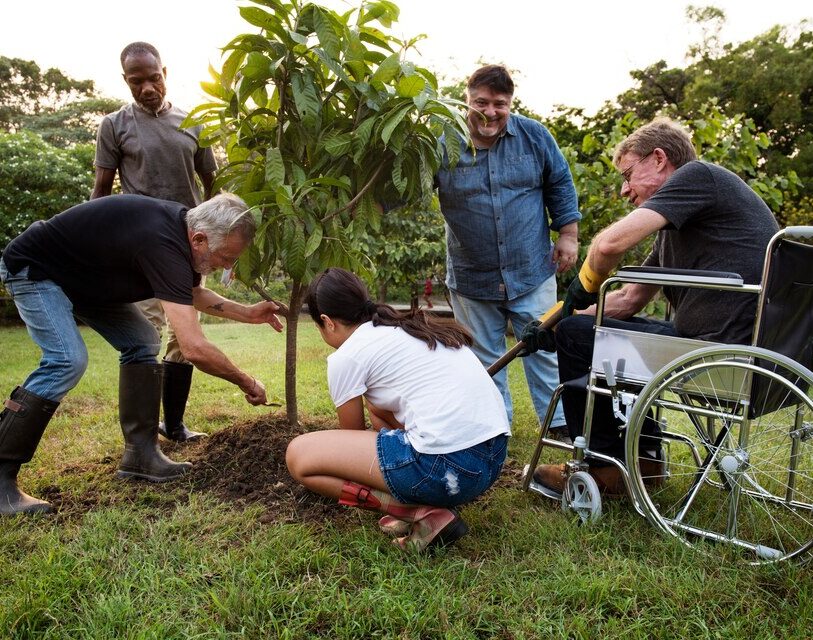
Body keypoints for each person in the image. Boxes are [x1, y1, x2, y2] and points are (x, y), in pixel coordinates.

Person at [526, 117, 780, 495]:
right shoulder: (679, 225)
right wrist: (559, 320)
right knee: (580, 330)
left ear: (659, 159)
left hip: (721, 354)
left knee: (582, 337)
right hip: (736, 353)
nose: (625, 191)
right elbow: (628, 299)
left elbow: (607, 246)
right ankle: (642, 462)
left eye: (628, 175)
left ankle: (605, 468)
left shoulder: (698, 176)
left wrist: (583, 286)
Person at [0, 193, 285, 515]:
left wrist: (247, 313)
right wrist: (246, 381)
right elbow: (194, 348)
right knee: (66, 360)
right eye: (226, 256)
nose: (228, 266)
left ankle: (141, 456)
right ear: (200, 238)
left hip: (87, 283)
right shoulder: (162, 242)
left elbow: (192, 293)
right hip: (37, 270)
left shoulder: (183, 238)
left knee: (142, 341)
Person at [285, 268, 510, 553]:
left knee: (298, 455)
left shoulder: (347, 356)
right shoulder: (405, 327)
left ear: (327, 322)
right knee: (377, 407)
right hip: (490, 461)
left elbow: (351, 437)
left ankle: (419, 513)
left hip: (445, 468)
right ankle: (424, 500)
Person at [435, 64, 581, 439]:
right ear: (467, 99)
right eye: (481, 102)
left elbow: (560, 181)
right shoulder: (442, 141)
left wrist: (568, 234)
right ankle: (497, 429)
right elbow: (402, 187)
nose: (490, 111)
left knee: (545, 349)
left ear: (510, 103)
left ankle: (559, 425)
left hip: (531, 269)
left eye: (500, 104)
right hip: (472, 275)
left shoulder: (534, 136)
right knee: (486, 358)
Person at [91, 41, 218, 443]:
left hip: (188, 246)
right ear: (126, 81)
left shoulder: (193, 120)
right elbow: (100, 190)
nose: (147, 87)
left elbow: (213, 186)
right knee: (146, 334)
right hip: (140, 248)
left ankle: (175, 425)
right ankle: (142, 438)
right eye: (137, 80)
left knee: (185, 338)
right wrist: (97, 245)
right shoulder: (115, 125)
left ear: (166, 72)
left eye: (154, 78)